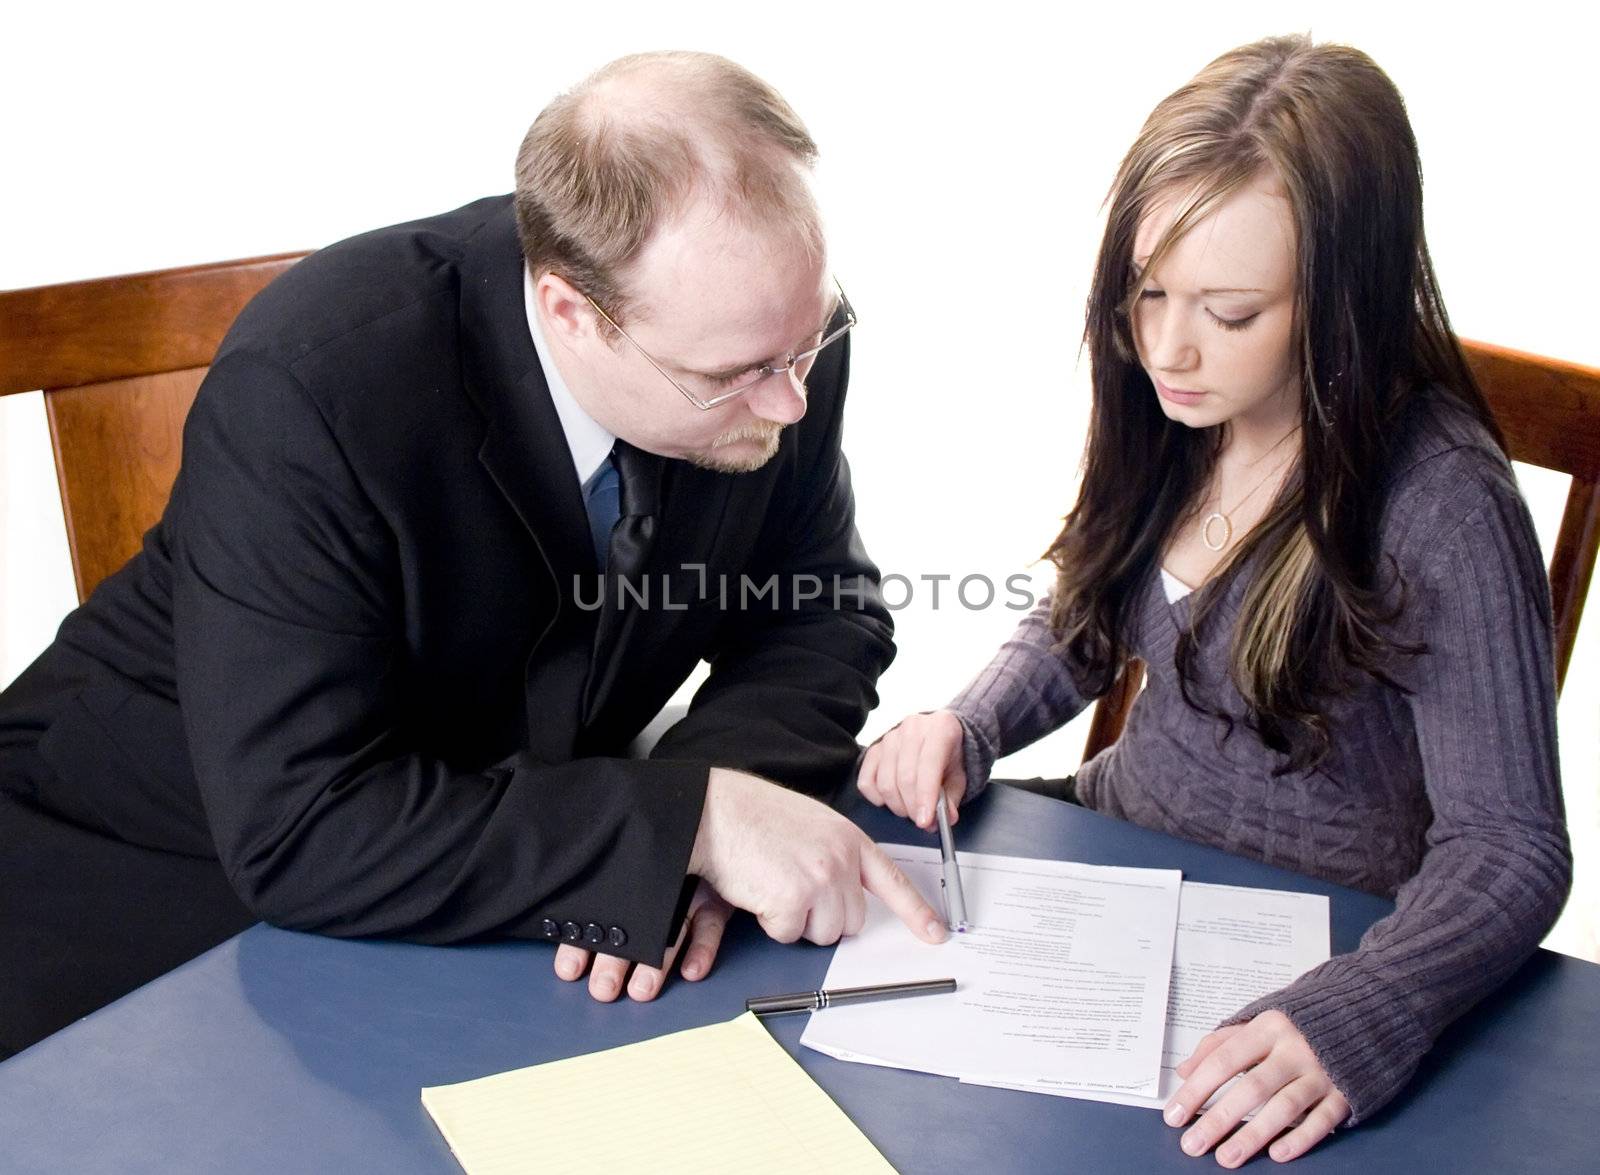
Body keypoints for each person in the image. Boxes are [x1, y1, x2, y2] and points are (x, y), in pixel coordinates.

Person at [0, 50, 947, 1059]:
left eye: (807, 345)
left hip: (509, 827)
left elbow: (817, 603)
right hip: (153, 844)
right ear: (569, 311)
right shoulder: (313, 387)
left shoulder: (768, 326)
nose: (790, 401)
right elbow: (301, 827)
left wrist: (712, 806)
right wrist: (690, 822)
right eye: (739, 374)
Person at [858, 34, 1570, 1167]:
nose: (1168, 347)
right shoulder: (1175, 405)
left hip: (1313, 930)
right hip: (1113, 864)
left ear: (1342, 303)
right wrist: (970, 719)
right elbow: (1086, 605)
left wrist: (1364, 1009)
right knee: (851, 922)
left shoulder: (1441, 504)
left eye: (1231, 312)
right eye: (1147, 293)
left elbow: (1511, 845)